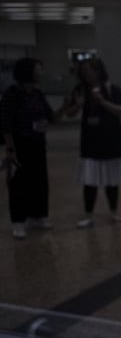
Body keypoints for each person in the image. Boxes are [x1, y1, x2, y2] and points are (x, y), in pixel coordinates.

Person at [61, 57, 121, 226]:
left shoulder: (113, 90)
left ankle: (114, 211)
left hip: (111, 139)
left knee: (111, 178)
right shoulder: (80, 90)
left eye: (89, 71)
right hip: (90, 140)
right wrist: (78, 105)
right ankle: (88, 215)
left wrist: (104, 102)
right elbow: (69, 113)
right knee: (89, 178)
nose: (86, 75)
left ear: (99, 71)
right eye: (83, 72)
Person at [0, 57, 54, 239]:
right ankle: (18, 222)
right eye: (38, 69)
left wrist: (70, 105)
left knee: (39, 181)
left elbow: (51, 116)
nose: (41, 72)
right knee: (18, 184)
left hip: (37, 143)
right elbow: (5, 123)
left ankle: (37, 215)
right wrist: (10, 148)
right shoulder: (12, 93)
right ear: (28, 71)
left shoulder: (37, 94)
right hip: (19, 145)